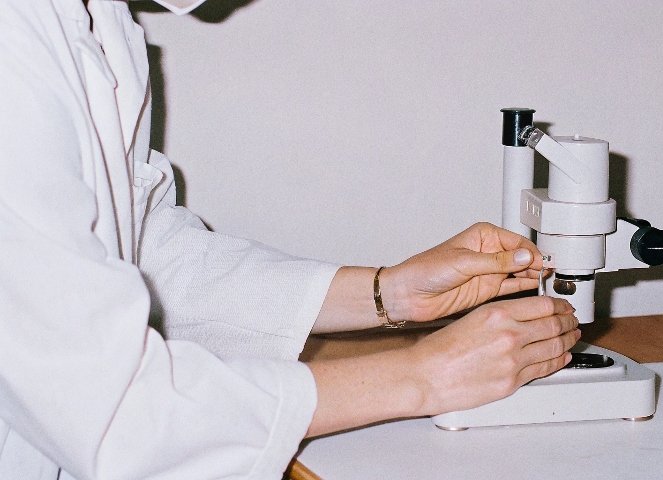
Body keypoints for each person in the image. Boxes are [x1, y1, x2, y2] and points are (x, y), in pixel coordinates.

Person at [0, 1, 581, 478]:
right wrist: (423, 375)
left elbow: (146, 253)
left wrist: (390, 294)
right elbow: (113, 413)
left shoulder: (102, 20)